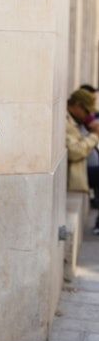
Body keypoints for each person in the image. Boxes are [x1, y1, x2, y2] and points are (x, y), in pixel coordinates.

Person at [67, 89, 99, 233]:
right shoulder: (66, 121)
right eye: (87, 112)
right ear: (78, 106)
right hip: (80, 172)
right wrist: (94, 135)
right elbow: (75, 151)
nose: (89, 116)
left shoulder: (76, 120)